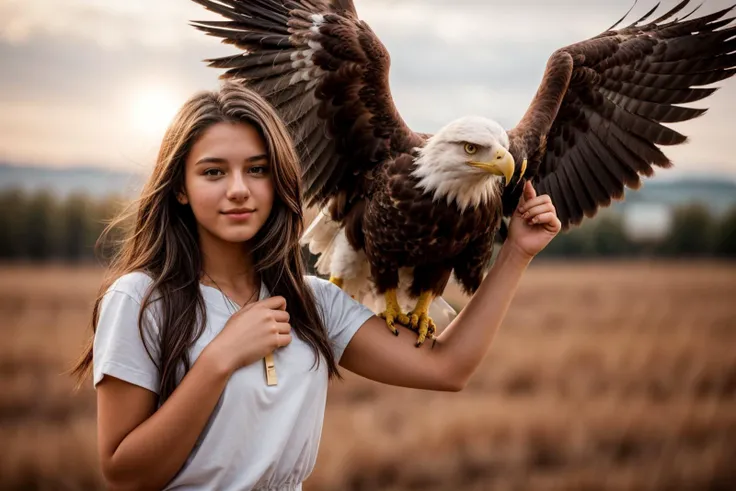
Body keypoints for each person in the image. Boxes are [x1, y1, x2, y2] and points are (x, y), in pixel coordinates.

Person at [72, 81, 561, 491]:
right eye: (213, 172)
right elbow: (124, 472)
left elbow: (447, 368)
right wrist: (219, 360)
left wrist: (516, 252)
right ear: (180, 187)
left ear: (280, 180)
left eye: (258, 170)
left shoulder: (314, 303)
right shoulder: (140, 300)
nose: (238, 189)